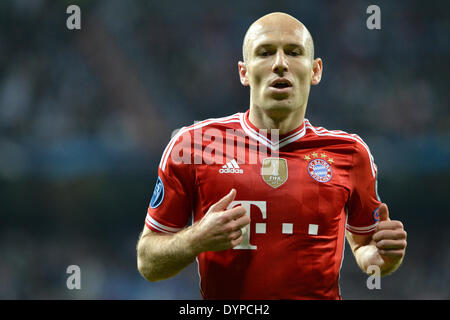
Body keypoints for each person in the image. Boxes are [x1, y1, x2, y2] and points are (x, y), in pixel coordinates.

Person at [136, 12, 407, 299]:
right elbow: (148, 262)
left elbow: (365, 247)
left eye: (293, 52)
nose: (280, 63)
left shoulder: (350, 153)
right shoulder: (193, 146)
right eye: (265, 53)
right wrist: (195, 240)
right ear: (244, 71)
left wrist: (382, 257)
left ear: (315, 71)